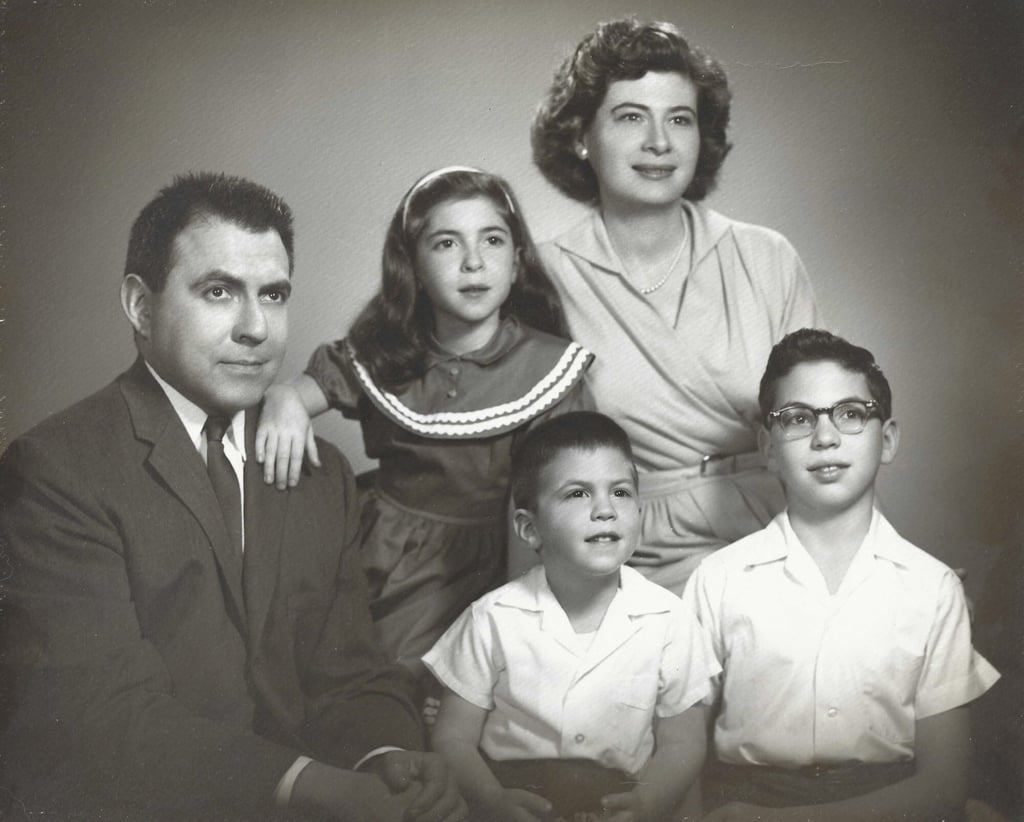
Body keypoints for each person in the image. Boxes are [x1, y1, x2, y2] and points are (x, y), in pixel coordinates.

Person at [0, 173, 466, 822]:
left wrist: (382, 755)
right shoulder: (57, 469)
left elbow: (350, 673)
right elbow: (99, 714)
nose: (255, 327)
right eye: (218, 292)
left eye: (273, 295)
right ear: (140, 305)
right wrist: (316, 787)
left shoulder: (319, 474)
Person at [255, 167, 592, 682]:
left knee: (462, 684)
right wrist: (284, 397)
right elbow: (304, 390)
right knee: (327, 671)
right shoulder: (385, 350)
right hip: (380, 555)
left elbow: (556, 507)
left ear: (518, 259)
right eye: (446, 244)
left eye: (493, 240)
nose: (474, 262)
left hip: (504, 561)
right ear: (411, 262)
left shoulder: (546, 368)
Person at [531, 18, 822, 594]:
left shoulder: (766, 257)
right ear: (581, 137)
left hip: (783, 539)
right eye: (631, 116)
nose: (659, 143)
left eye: (679, 119)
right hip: (632, 558)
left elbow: (824, 431)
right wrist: (297, 396)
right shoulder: (540, 278)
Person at [682, 329, 1000, 820]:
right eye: (798, 419)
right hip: (744, 802)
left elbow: (944, 785)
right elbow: (682, 755)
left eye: (851, 414)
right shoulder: (719, 580)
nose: (825, 437)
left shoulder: (933, 588)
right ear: (767, 447)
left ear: (887, 439)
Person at [424, 411, 717, 821]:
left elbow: (683, 743)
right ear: (530, 529)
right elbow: (453, 737)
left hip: (617, 804)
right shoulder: (491, 618)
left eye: (620, 492)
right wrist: (493, 800)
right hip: (515, 798)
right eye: (577, 494)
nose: (605, 510)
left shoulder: (669, 618)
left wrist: (649, 802)